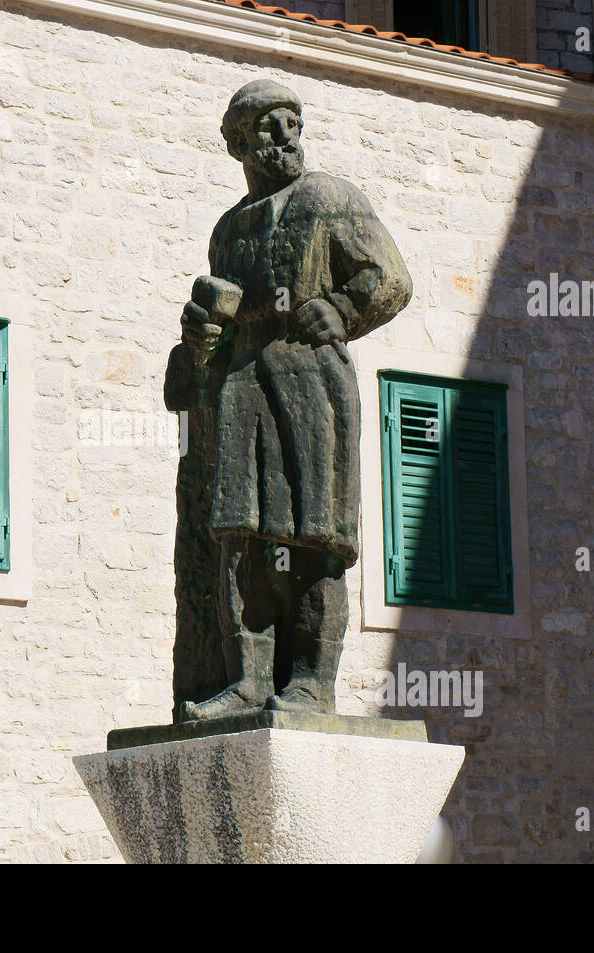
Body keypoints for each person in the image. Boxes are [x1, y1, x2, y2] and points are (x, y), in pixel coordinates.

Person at [166, 79, 413, 721]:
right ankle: (248, 677)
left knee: (313, 536)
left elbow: (389, 277)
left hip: (313, 385)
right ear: (239, 143)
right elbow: (218, 325)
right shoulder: (229, 230)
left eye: (292, 123)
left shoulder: (330, 198)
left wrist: (338, 309)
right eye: (268, 127)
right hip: (243, 388)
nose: (286, 138)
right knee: (241, 534)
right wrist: (203, 336)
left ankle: (310, 680)